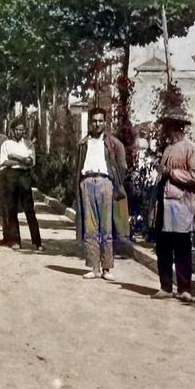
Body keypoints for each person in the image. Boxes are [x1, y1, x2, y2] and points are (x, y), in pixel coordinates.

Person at [151, 107, 195, 301]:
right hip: (165, 205)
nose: (166, 131)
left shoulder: (191, 149)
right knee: (164, 246)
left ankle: (184, 289)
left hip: (181, 206)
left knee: (182, 246)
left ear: (178, 128)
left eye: (169, 127)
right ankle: (165, 286)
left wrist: (170, 173)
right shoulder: (168, 149)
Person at [75, 107, 127, 281]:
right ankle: (93, 267)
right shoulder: (83, 144)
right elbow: (76, 167)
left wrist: (115, 180)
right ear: (91, 123)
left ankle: (106, 268)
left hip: (105, 183)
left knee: (106, 227)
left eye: (100, 120)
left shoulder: (112, 143)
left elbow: (122, 165)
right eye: (94, 121)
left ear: (105, 122)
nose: (97, 124)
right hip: (87, 182)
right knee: (90, 227)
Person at [0, 119, 42, 251]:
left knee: (29, 209)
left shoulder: (28, 144)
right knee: (12, 209)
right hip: (10, 176)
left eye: (21, 129)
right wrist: (21, 159)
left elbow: (30, 161)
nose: (19, 132)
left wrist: (16, 157)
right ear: (12, 130)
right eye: (16, 129)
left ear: (24, 130)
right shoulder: (7, 144)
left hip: (24, 177)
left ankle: (37, 242)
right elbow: (3, 162)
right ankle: (16, 240)